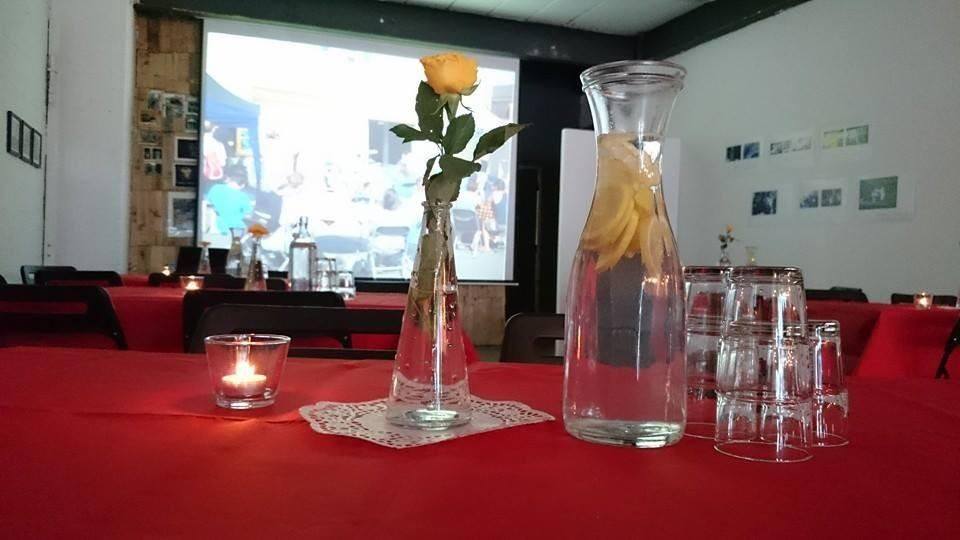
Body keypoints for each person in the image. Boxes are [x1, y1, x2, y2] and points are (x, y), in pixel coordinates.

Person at [205, 163, 254, 236]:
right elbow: (249, 214)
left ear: (227, 178)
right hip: (235, 232)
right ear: (243, 184)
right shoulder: (244, 197)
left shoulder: (215, 188)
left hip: (215, 229)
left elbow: (207, 204)